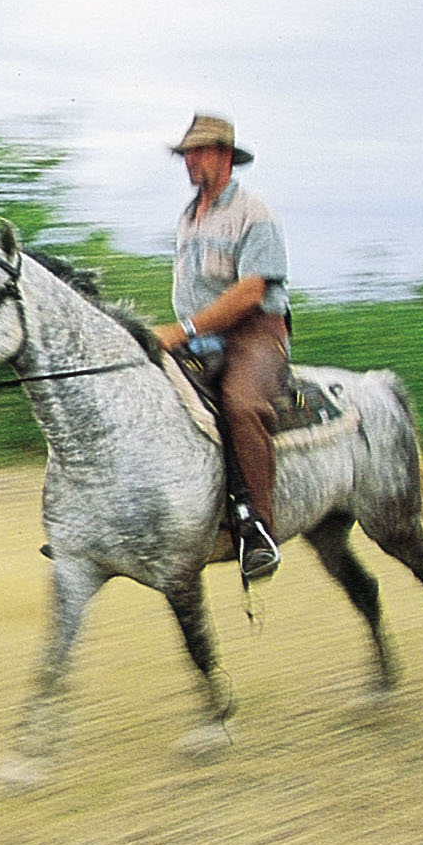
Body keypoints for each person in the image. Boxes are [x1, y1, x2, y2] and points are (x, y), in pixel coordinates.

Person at [151, 113, 292, 581]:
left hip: (254, 334)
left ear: (225, 156)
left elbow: (251, 292)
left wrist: (182, 329)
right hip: (199, 336)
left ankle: (260, 532)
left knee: (241, 403)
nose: (190, 162)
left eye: (199, 152)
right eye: (187, 153)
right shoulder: (188, 217)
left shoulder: (255, 213)